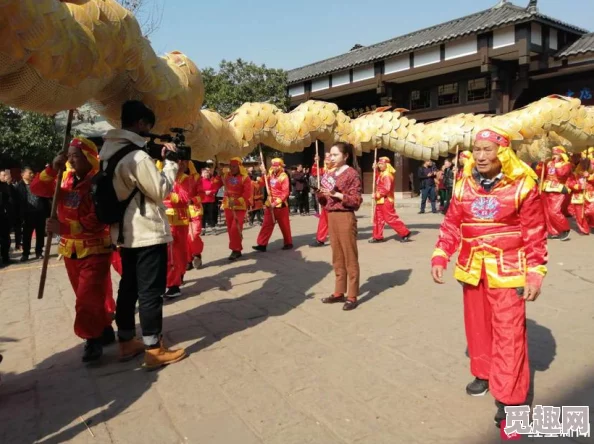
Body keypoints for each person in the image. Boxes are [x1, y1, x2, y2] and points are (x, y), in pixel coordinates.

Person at [430, 128, 547, 429]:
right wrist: (441, 254)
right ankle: (483, 372)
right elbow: (452, 223)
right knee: (478, 328)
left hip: (508, 269)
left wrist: (535, 273)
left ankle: (510, 398)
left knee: (509, 334)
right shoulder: (463, 184)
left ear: (502, 152)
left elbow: (535, 232)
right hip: (472, 267)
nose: (480, 156)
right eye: (477, 150)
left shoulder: (522, 185)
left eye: (487, 150)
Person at [99, 100, 186, 369]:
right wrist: (171, 164)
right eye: (148, 126)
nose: (149, 130)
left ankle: (126, 341)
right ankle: (153, 348)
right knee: (150, 291)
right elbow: (159, 190)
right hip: (146, 231)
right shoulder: (136, 157)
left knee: (129, 286)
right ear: (140, 124)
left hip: (125, 233)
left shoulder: (109, 151)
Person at [30, 138, 116, 363]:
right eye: (68, 155)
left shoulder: (99, 181)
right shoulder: (64, 178)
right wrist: (51, 168)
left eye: (75, 155)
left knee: (87, 297)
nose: (70, 159)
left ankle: (92, 339)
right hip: (70, 250)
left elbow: (99, 218)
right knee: (86, 295)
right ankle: (105, 327)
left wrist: (64, 226)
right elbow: (37, 188)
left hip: (95, 248)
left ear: (88, 157)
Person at [316, 143, 362, 311]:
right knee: (337, 256)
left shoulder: (352, 174)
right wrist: (320, 194)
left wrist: (337, 194)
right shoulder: (331, 174)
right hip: (331, 216)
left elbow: (356, 200)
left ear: (345, 156)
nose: (332, 158)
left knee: (350, 256)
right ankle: (338, 291)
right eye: (331, 155)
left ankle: (352, 294)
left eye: (335, 155)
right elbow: (326, 201)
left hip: (345, 216)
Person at [161, 159, 192, 299]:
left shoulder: (185, 179)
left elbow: (185, 198)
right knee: (169, 253)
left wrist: (166, 194)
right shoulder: (162, 175)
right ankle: (173, 281)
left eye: (181, 163)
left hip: (179, 221)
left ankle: (175, 282)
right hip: (164, 220)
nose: (179, 165)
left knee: (177, 252)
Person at [253, 158, 293, 252]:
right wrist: (263, 173)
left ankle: (288, 243)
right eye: (273, 165)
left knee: (284, 225)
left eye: (276, 165)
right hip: (269, 203)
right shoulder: (270, 174)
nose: (274, 167)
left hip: (281, 205)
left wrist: (275, 203)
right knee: (266, 224)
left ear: (280, 166)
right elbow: (263, 183)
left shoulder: (284, 176)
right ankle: (262, 244)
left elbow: (285, 193)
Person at [369, 157, 411, 243]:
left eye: (381, 164)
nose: (380, 165)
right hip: (380, 200)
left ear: (386, 165)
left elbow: (386, 189)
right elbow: (377, 180)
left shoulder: (387, 175)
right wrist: (375, 170)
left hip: (386, 200)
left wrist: (377, 195)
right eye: (379, 164)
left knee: (390, 218)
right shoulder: (382, 173)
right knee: (378, 219)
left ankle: (405, 232)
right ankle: (377, 236)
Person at [221, 157, 252, 261]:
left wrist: (236, 201)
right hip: (228, 205)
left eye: (234, 166)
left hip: (239, 206)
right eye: (231, 166)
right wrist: (217, 174)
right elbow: (216, 183)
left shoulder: (245, 178)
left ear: (239, 167)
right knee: (230, 228)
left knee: (236, 228)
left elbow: (247, 194)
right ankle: (237, 249)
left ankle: (235, 249)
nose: (232, 168)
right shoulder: (225, 175)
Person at [15, 166, 49, 261]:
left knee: (40, 234)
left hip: (39, 213)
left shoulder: (37, 184)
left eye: (32, 173)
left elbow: (45, 198)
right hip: (27, 214)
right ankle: (25, 253)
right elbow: (16, 203)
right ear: (23, 174)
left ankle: (39, 252)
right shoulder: (18, 187)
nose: (32, 175)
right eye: (29, 173)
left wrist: (47, 213)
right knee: (27, 235)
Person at [541, 146, 572, 241]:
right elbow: (541, 174)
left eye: (556, 154)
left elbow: (561, 174)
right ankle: (553, 231)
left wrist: (556, 164)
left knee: (554, 211)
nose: (554, 156)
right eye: (553, 154)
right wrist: (541, 165)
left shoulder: (566, 164)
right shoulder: (549, 163)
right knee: (547, 212)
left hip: (558, 189)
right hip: (546, 188)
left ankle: (565, 229)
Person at [566, 150, 594, 235]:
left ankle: (592, 224)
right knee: (579, 215)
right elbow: (570, 183)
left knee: (591, 211)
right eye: (582, 162)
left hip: (590, 194)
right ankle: (584, 229)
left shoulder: (591, 172)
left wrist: (589, 176)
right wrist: (578, 187)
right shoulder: (575, 173)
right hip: (578, 196)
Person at [311, 153, 333, 247]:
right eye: (325, 157)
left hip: (334, 200)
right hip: (325, 199)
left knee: (334, 220)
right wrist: (316, 162)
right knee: (323, 219)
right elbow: (315, 172)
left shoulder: (338, 171)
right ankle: (320, 239)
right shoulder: (325, 170)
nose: (326, 159)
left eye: (329, 157)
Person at [186, 161, 205, 270]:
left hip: (195, 210)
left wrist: (193, 200)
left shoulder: (196, 177)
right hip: (180, 211)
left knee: (194, 235)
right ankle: (188, 259)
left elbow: (201, 194)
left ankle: (197, 253)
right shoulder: (174, 176)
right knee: (185, 238)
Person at [201, 167, 221, 233]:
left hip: (211, 200)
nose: (206, 174)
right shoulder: (200, 182)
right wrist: (204, 192)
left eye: (207, 173)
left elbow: (215, 189)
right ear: (202, 174)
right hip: (202, 200)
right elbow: (198, 189)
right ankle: (203, 228)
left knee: (211, 214)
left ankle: (213, 227)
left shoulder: (212, 181)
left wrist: (211, 192)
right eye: (205, 173)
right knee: (202, 215)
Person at [0, 170, 13, 267]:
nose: (6, 176)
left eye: (6, 175)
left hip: (5, 217)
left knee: (6, 238)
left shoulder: (7, 186)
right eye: (3, 175)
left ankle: (5, 257)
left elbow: (11, 200)